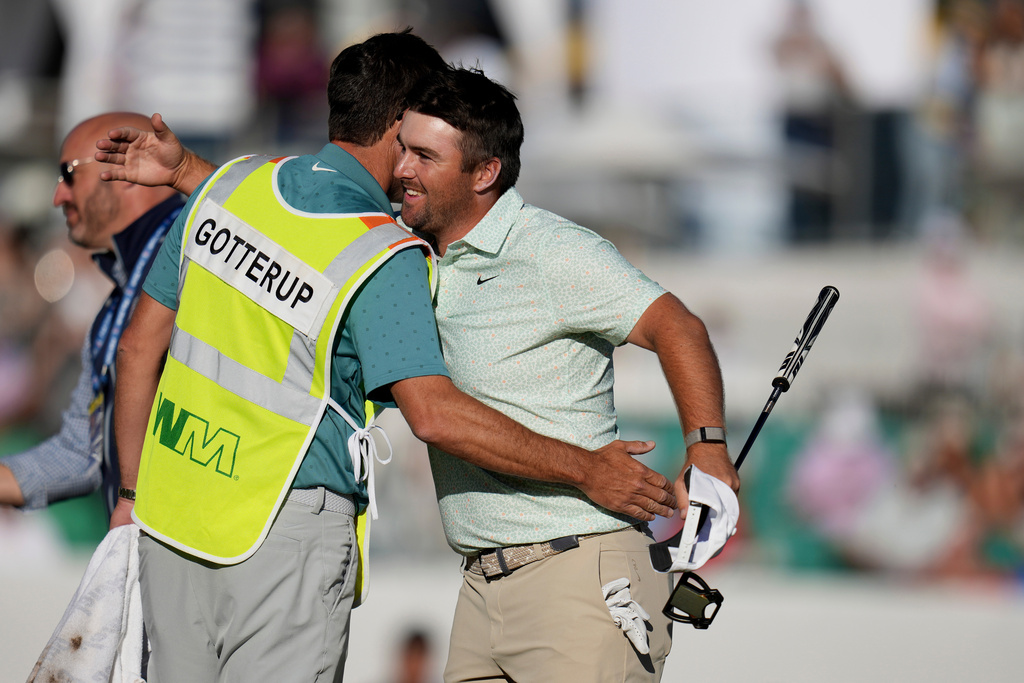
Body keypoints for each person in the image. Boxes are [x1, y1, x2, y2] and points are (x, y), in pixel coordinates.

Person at [103, 32, 675, 683]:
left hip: (171, 513)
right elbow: (432, 413)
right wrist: (586, 470)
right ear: (399, 123)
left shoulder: (227, 189)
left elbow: (137, 345)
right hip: (283, 525)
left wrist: (129, 492)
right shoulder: (383, 253)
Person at [392, 67, 739, 682]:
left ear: (484, 173)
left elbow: (678, 327)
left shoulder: (552, 249)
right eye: (403, 150)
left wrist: (707, 449)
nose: (403, 170)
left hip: (582, 583)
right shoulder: (411, 252)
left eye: (424, 156)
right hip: (478, 592)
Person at [0, 112, 183, 516]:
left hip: (215, 551)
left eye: (68, 175)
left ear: (126, 167)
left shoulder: (199, 252)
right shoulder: (117, 299)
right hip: (149, 554)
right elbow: (78, 453)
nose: (58, 197)